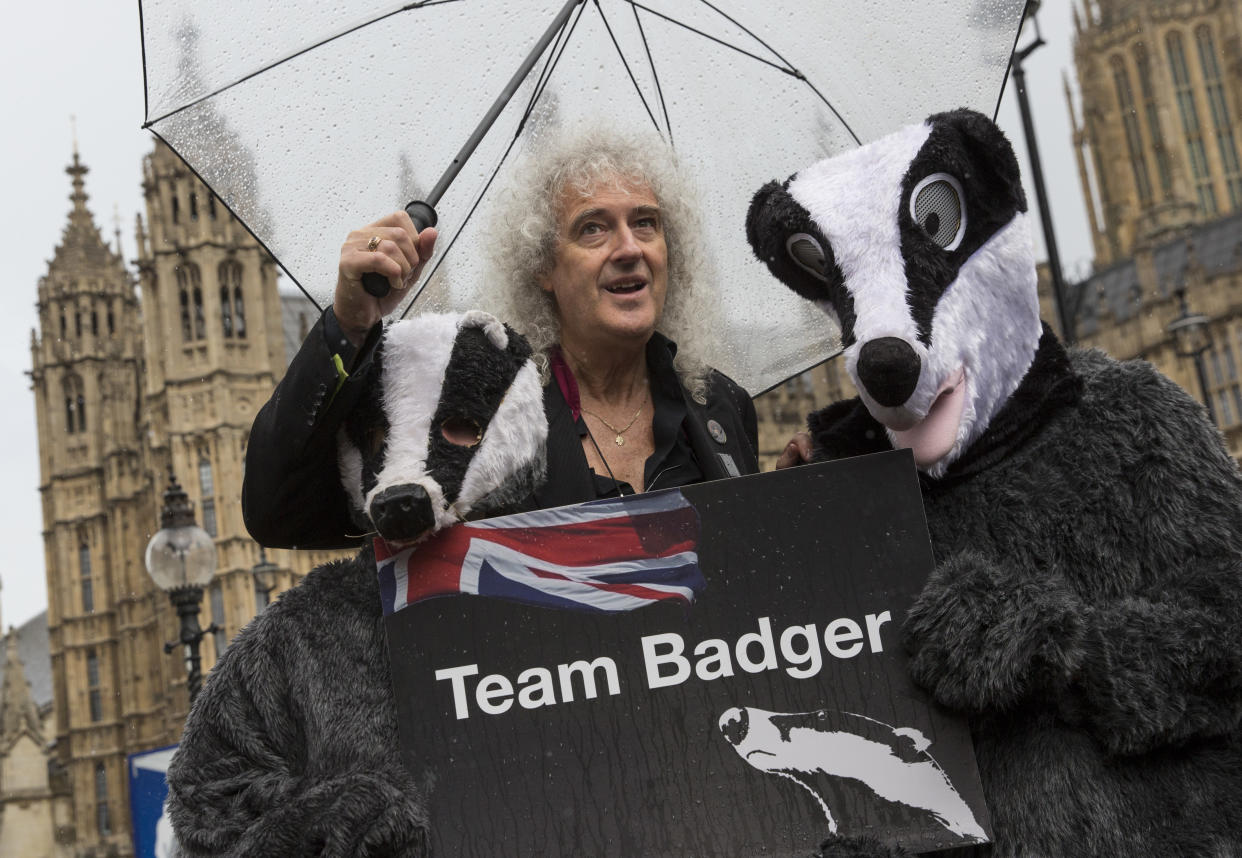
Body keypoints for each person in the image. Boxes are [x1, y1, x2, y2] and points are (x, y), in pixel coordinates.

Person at [241, 130, 801, 550]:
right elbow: (278, 513)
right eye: (594, 227)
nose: (630, 247)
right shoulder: (483, 414)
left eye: (646, 223)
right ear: (543, 268)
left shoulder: (719, 406)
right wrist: (351, 321)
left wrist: (791, 504)